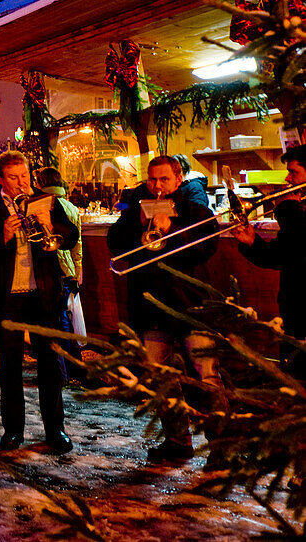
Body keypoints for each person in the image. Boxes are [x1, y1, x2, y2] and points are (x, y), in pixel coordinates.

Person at [0, 151, 78, 454]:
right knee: (10, 367)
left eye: (25, 176)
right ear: (1, 179)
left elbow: (72, 234)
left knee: (51, 365)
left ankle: (56, 430)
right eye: (13, 178)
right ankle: (13, 431)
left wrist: (51, 227)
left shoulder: (45, 200)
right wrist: (2, 235)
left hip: (44, 294)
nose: (21, 183)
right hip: (8, 297)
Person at [107, 154, 220, 462]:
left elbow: (206, 247)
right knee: (161, 379)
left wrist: (172, 229)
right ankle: (178, 441)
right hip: (150, 308)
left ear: (178, 180)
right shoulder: (135, 210)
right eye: (152, 179)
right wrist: (137, 225)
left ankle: (221, 445)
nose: (157, 186)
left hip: (190, 306)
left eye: (164, 179)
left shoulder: (196, 210)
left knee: (206, 377)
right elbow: (113, 243)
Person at [232, 145, 306, 378]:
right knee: (294, 375)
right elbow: (284, 256)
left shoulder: (294, 211)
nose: (287, 178)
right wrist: (252, 242)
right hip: (294, 304)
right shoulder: (298, 209)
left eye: (293, 172)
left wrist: (288, 208)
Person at [35, 167, 83, 383]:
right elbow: (78, 243)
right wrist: (78, 272)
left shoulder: (44, 205)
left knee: (58, 320)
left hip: (55, 267)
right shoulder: (71, 206)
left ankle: (62, 368)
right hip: (70, 268)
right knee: (66, 318)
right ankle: (72, 366)